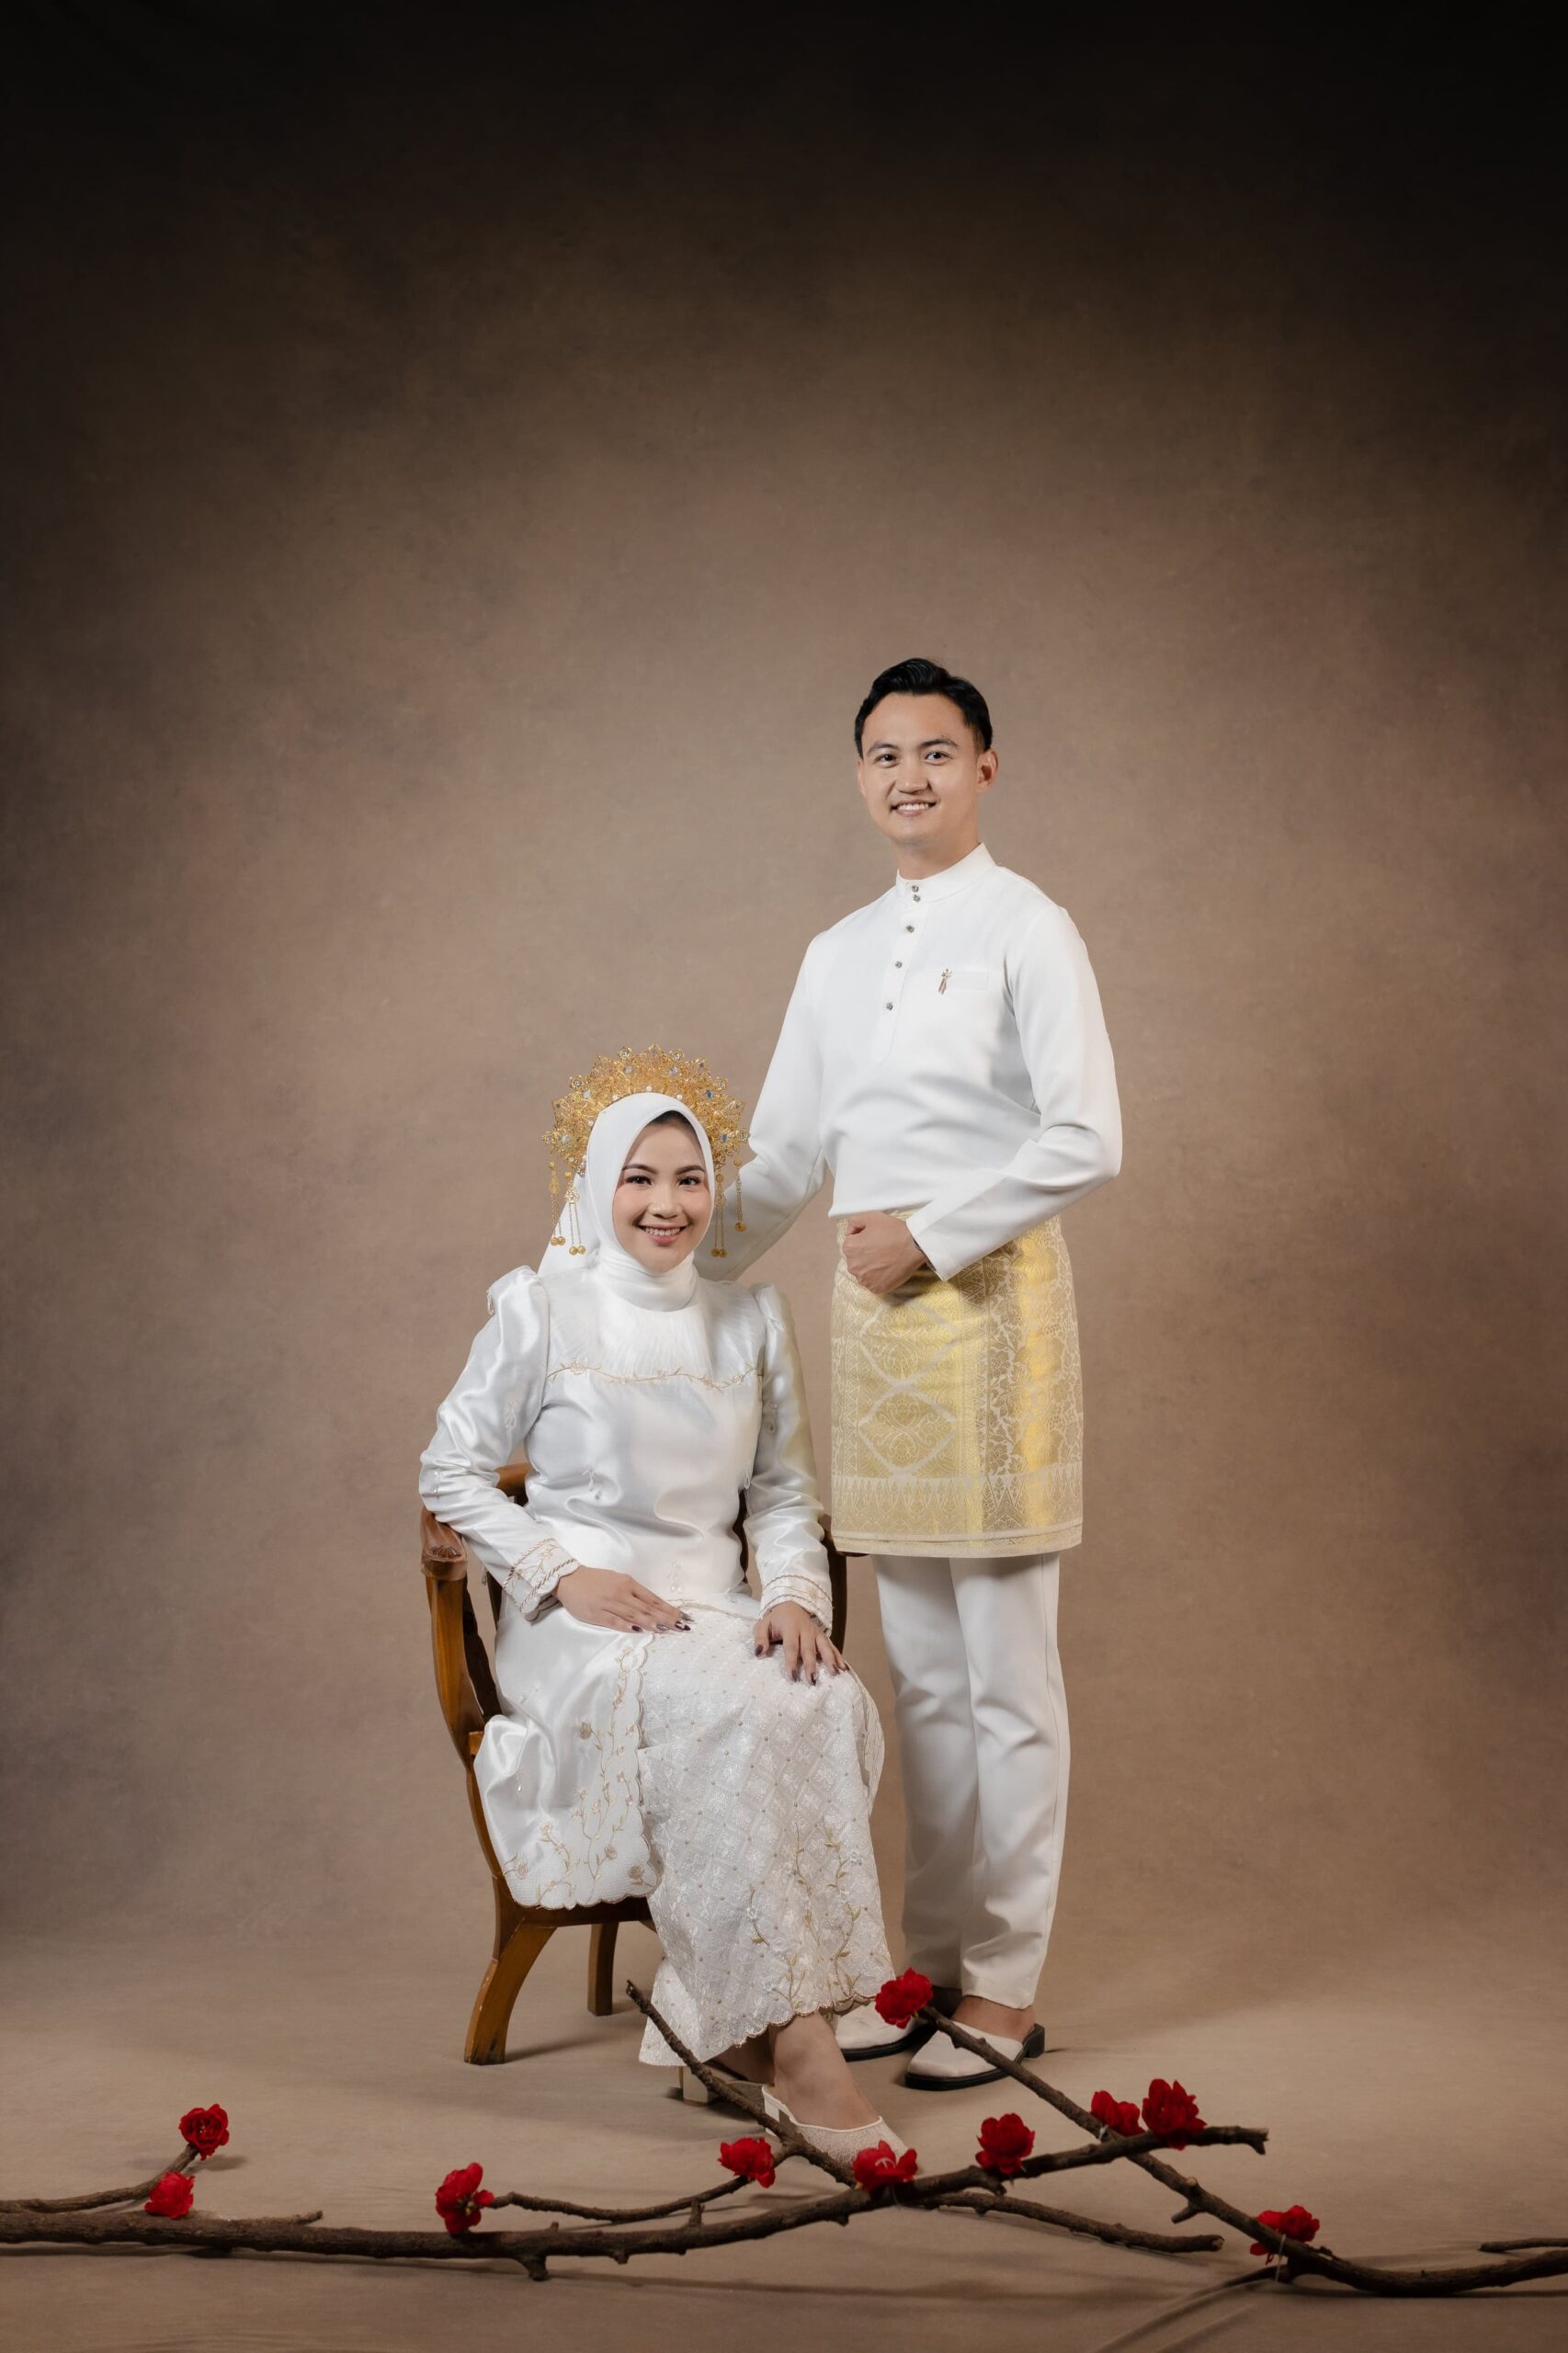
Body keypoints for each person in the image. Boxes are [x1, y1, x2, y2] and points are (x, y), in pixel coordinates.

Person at [709, 658, 1121, 2089]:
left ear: (984, 767)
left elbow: (1086, 1135)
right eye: (883, 755)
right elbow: (781, 1157)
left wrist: (930, 1236)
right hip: (876, 1332)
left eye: (935, 752)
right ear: (859, 776)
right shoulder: (834, 952)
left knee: (1007, 1676)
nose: (908, 778)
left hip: (990, 1308)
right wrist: (661, 1261)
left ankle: (1003, 1990)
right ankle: (926, 1970)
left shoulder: (1028, 927)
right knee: (928, 1682)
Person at [418, 1048, 901, 2157]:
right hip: (581, 1625)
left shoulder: (750, 1318)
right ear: (596, 1183)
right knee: (729, 1712)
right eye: (638, 1178)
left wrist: (793, 1595)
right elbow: (449, 1469)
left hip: (713, 1609)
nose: (666, 1204)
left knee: (819, 1699)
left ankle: (723, 2025)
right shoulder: (540, 1308)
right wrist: (558, 1573)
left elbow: (782, 1491)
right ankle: (801, 2056)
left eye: (689, 1179)